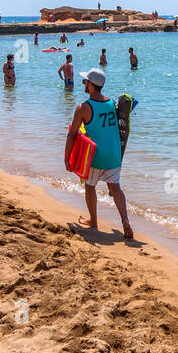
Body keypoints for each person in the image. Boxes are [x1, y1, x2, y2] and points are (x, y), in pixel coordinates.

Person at [64, 69, 131, 237]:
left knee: (90, 186)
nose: (83, 84)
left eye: (85, 81)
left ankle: (93, 221)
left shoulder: (83, 108)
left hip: (96, 157)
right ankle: (125, 221)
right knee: (116, 188)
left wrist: (67, 158)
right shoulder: (111, 103)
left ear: (91, 85)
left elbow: (72, 135)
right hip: (114, 155)